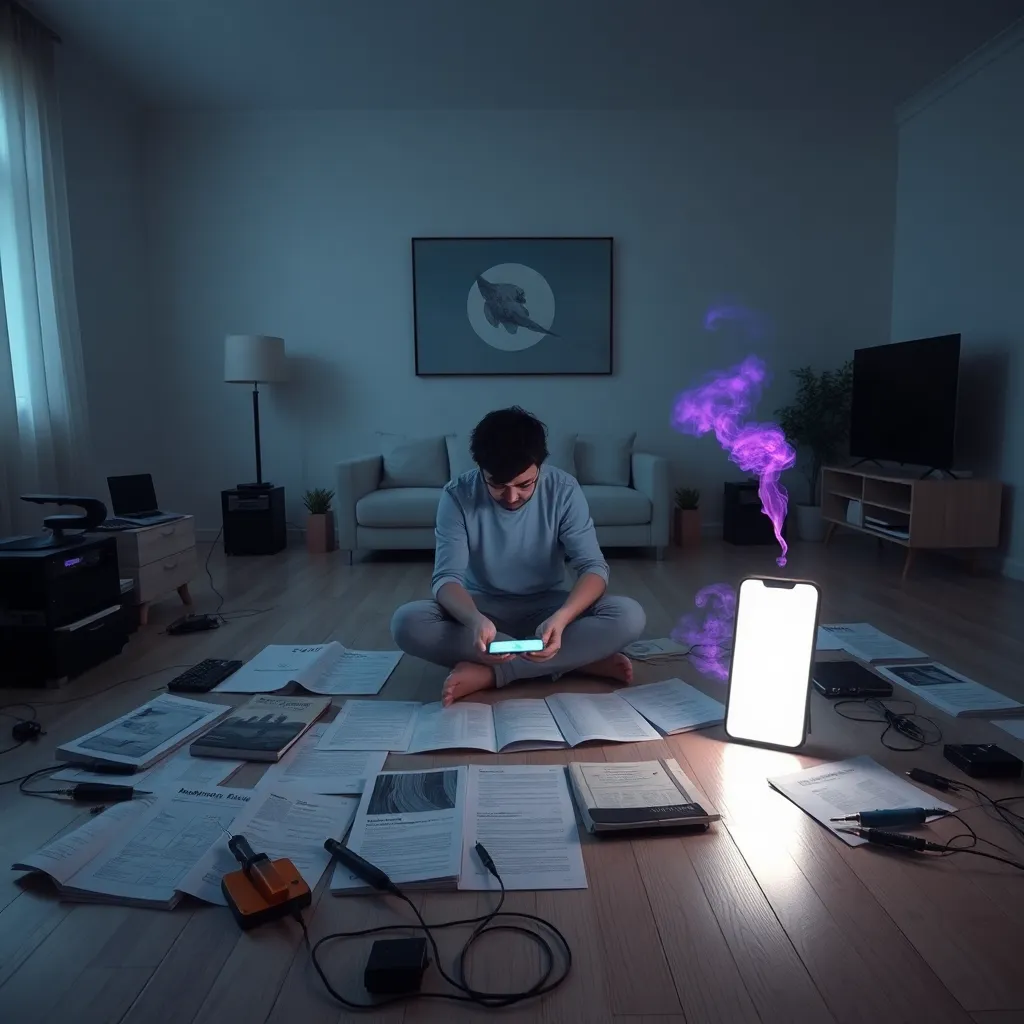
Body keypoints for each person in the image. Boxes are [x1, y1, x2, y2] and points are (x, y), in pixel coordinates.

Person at [391, 407, 646, 706]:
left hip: (548, 608)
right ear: (480, 469)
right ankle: (574, 662)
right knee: (406, 622)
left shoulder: (563, 489)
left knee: (628, 615)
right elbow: (447, 579)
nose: (512, 498)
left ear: (539, 466)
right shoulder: (457, 495)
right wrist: (474, 620)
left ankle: (492, 674)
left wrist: (563, 619)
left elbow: (592, 567)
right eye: (498, 486)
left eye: (525, 485)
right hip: (482, 611)